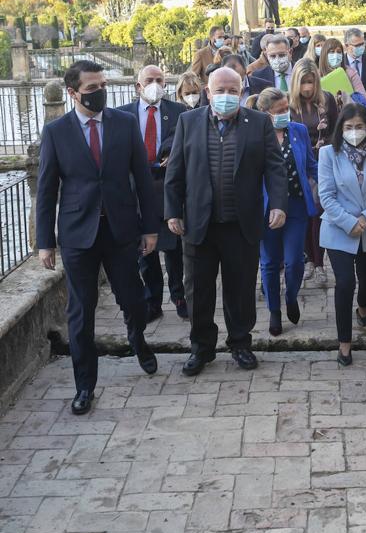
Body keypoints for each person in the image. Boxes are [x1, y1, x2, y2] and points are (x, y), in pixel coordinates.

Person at [37, 61, 158, 415]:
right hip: (78, 235)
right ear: (73, 93)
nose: (100, 92)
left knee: (134, 300)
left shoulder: (124, 123)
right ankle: (85, 385)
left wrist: (150, 227)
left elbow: (143, 177)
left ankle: (137, 337)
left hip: (121, 229)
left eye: (102, 85)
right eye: (92, 88)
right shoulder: (57, 132)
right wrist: (46, 242)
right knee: (80, 312)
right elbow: (46, 190)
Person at [165, 67, 287, 374]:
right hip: (199, 224)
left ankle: (241, 344)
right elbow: (175, 172)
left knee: (240, 289)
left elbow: (275, 167)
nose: (226, 96)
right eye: (220, 90)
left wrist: (278, 204)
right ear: (208, 92)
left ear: (242, 91)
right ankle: (201, 349)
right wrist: (172, 212)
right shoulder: (187, 122)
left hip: (241, 223)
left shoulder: (259, 123)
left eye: (233, 91)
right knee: (198, 291)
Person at [318, 103, 366, 365]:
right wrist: (349, 222)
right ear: (341, 128)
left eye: (359, 127)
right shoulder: (328, 154)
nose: (354, 132)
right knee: (345, 282)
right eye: (348, 127)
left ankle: (363, 306)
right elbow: (326, 196)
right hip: (338, 228)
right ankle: (345, 344)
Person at [118, 65, 188, 322]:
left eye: (160, 80)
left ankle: (179, 297)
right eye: (149, 80)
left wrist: (169, 152)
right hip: (136, 192)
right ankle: (152, 301)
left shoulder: (178, 111)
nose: (155, 84)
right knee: (145, 254)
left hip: (167, 189)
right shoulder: (121, 115)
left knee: (174, 251)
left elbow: (179, 139)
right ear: (138, 85)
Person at [256, 87, 319, 335]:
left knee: (294, 261)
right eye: (279, 111)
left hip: (296, 205)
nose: (285, 114)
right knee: (269, 263)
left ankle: (291, 295)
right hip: (266, 207)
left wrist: (323, 186)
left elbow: (311, 165)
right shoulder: (257, 136)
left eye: (286, 109)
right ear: (265, 113)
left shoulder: (299, 131)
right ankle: (274, 310)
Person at [289, 58, 338, 286]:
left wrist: (324, 144)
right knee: (304, 214)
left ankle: (319, 263)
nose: (307, 87)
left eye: (310, 82)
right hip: (298, 166)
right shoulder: (289, 106)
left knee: (318, 213)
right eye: (303, 83)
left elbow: (337, 130)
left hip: (322, 164)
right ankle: (308, 258)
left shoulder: (326, 100)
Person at [319, 38, 366, 106]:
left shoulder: (351, 73)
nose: (335, 55)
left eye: (339, 52)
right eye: (332, 52)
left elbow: (364, 99)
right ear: (324, 54)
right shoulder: (316, 75)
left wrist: (346, 98)